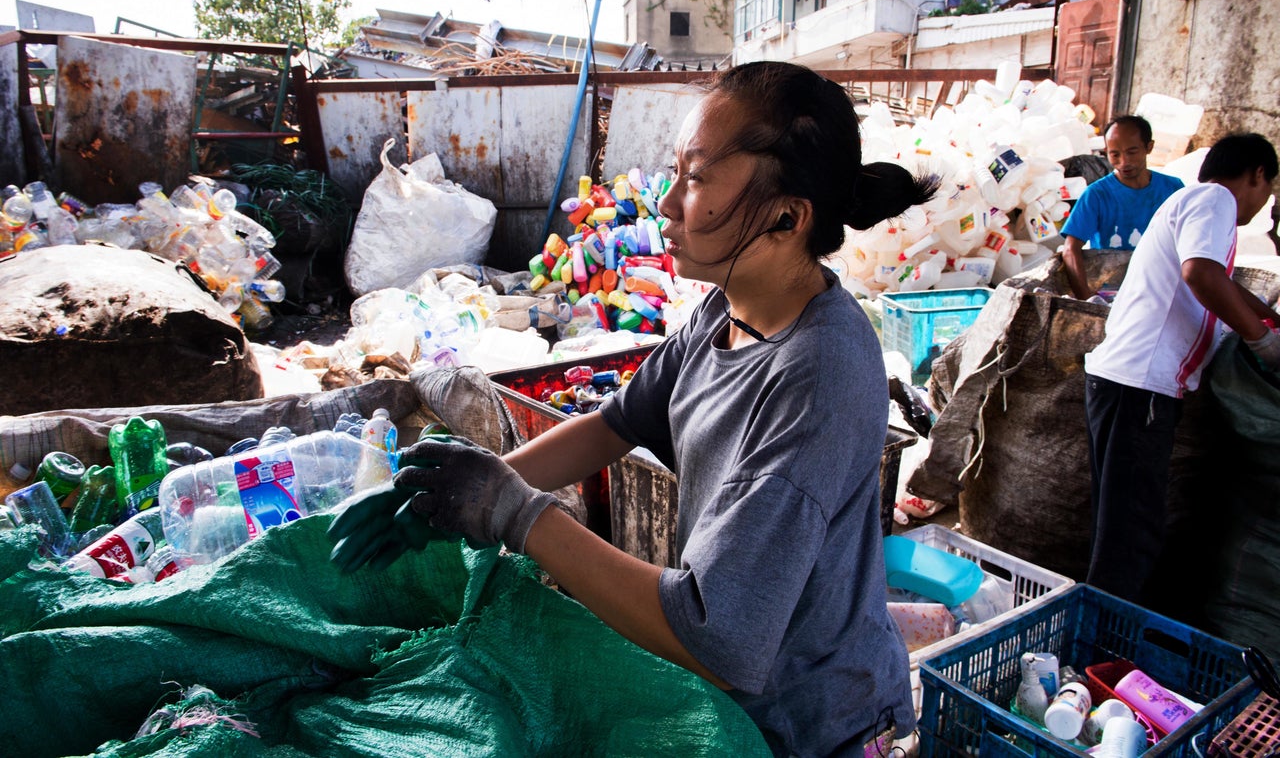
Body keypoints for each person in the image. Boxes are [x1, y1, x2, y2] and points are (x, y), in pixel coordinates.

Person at [328, 61, 938, 756]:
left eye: (698, 179)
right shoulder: (723, 314)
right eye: (676, 173)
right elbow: (615, 424)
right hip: (741, 702)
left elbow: (719, 636)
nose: (669, 205)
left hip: (812, 724)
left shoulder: (817, 376)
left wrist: (515, 514)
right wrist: (460, 495)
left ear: (787, 216)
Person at [1083, 132, 1280, 602]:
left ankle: (1103, 643)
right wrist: (1262, 339)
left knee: (1122, 528)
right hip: (1139, 388)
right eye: (1269, 188)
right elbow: (1201, 276)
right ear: (1256, 174)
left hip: (1128, 385)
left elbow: (1221, 282)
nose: (1264, 202)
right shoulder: (1213, 201)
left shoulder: (1195, 205)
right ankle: (1105, 655)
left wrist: (1269, 317)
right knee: (1130, 538)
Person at [1061, 115, 1185, 299]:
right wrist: (1087, 299)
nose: (1124, 162)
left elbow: (1188, 240)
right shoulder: (1097, 194)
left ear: (1148, 147)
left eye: (1132, 152)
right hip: (1114, 290)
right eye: (1115, 154)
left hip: (1163, 287)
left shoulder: (1173, 189)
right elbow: (1070, 249)